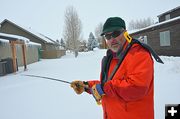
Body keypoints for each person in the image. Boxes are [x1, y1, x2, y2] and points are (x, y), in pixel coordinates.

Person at [70, 17, 163, 119]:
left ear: (125, 33)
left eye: (115, 33)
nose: (112, 39)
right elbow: (109, 83)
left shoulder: (138, 54)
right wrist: (86, 86)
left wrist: (103, 88)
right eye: (108, 36)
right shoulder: (112, 57)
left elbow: (137, 87)